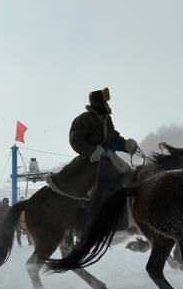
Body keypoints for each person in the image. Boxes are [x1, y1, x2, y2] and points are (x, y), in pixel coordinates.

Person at [46, 87, 139, 219]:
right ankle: (92, 214)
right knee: (96, 183)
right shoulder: (83, 119)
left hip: (108, 156)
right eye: (105, 102)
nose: (107, 104)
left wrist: (126, 145)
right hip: (90, 160)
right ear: (99, 103)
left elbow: (113, 137)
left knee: (125, 175)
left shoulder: (107, 119)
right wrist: (93, 151)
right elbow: (76, 140)